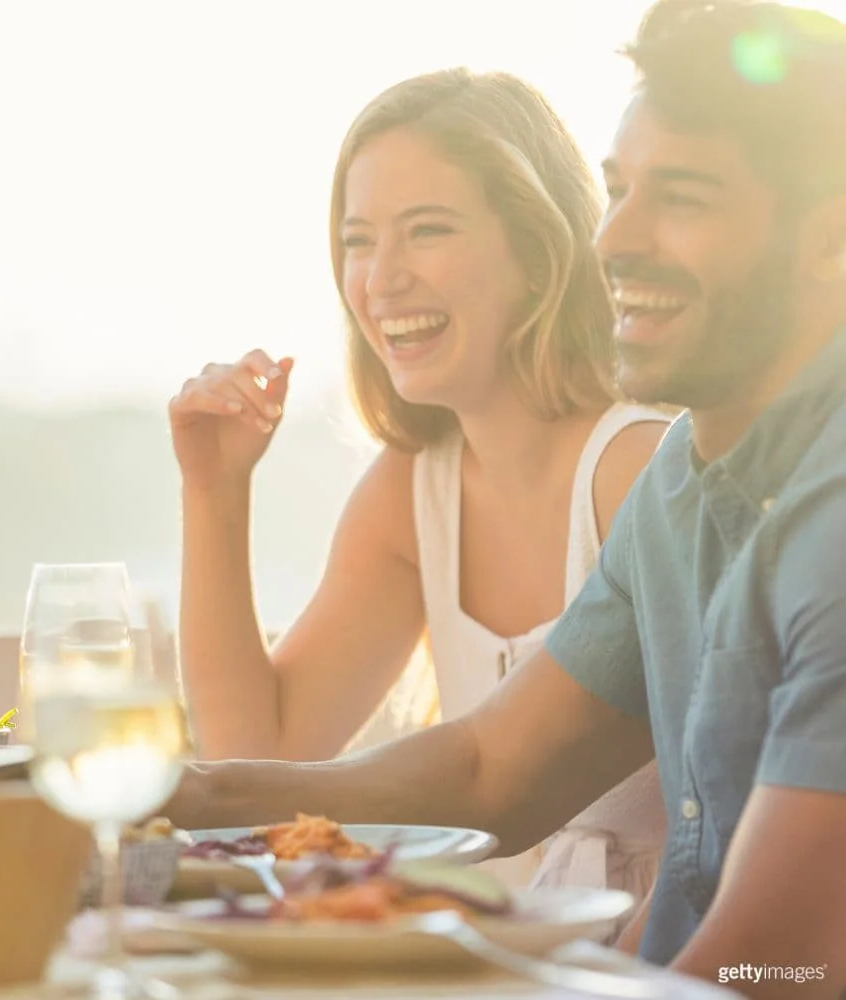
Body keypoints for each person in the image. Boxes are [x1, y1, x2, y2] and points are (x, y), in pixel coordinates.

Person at [166, 2, 846, 994]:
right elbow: (493, 770)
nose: (614, 238)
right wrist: (177, 794)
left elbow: (776, 962)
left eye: (684, 198)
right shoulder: (682, 489)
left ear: (831, 242)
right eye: (617, 192)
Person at [168, 69, 670, 905]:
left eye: (426, 231)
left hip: (662, 955)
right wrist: (214, 494)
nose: (380, 278)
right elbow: (264, 754)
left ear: (541, 256)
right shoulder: (411, 497)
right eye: (359, 241)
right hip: (491, 953)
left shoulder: (637, 470)